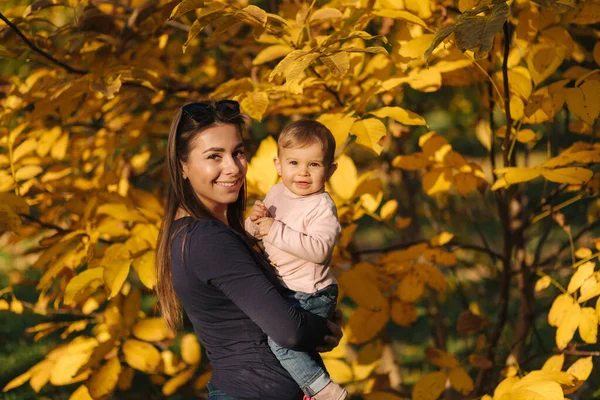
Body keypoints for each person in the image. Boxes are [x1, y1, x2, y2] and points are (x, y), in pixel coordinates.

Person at [154, 101, 342, 400]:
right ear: (182, 166)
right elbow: (289, 332)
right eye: (214, 156)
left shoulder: (208, 231)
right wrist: (324, 328)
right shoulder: (206, 238)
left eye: (237, 152)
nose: (232, 167)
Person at [245, 120, 347, 400]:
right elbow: (259, 233)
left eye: (314, 165)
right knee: (289, 346)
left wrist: (274, 229)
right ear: (278, 165)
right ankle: (307, 387)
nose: (302, 172)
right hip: (288, 289)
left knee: (283, 343)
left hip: (311, 293)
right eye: (294, 163)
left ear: (331, 169)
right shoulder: (278, 191)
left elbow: (320, 250)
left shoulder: (321, 206)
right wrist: (253, 224)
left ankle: (324, 391)